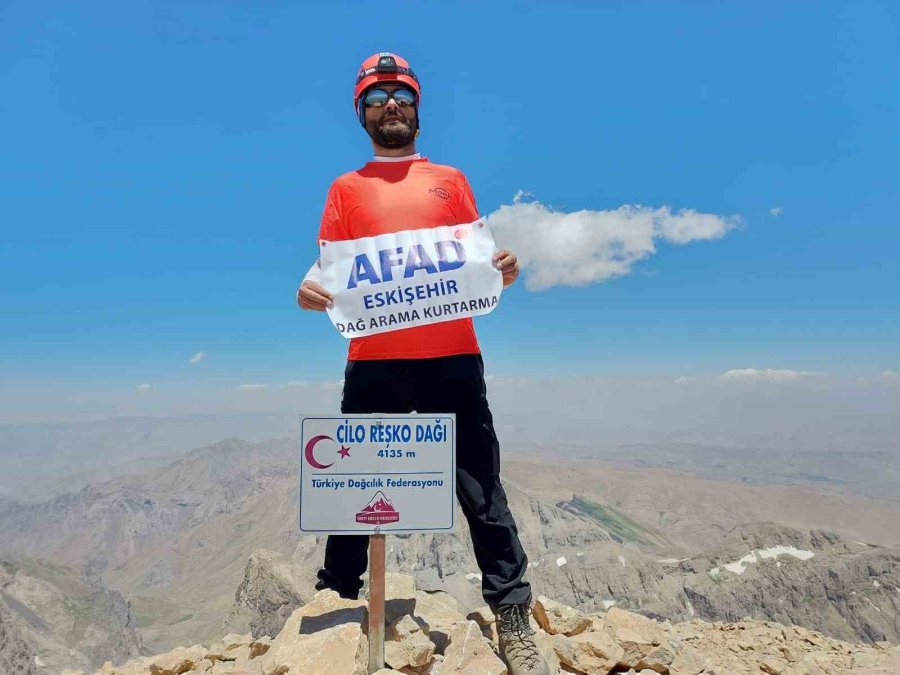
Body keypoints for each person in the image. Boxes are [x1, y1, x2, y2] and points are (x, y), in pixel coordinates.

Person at [297, 52, 549, 675]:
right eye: (377, 95)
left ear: (415, 108)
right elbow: (331, 266)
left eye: (400, 94)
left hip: (453, 358)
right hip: (374, 360)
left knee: (480, 486)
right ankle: (339, 600)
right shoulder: (344, 189)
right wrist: (308, 289)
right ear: (361, 112)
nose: (390, 103)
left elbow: (475, 257)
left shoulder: (451, 181)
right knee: (354, 487)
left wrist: (503, 269)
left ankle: (512, 616)